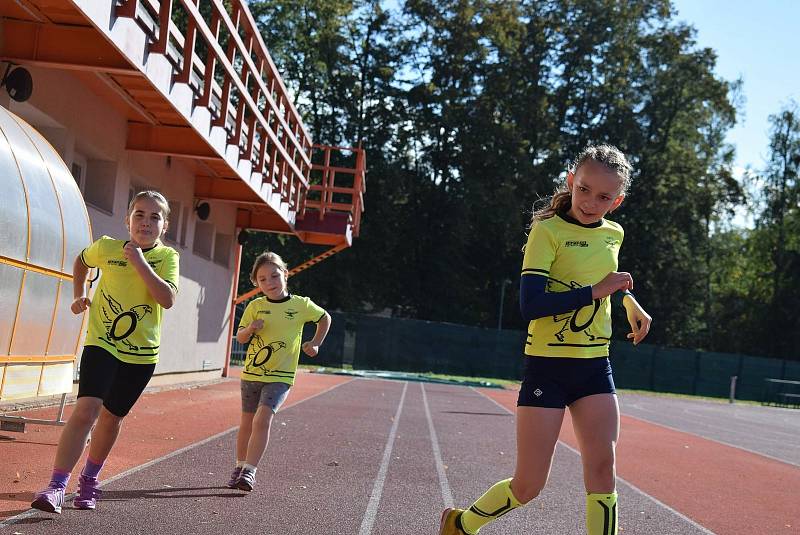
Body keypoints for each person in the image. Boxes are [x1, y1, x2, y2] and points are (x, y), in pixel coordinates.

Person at [440, 144, 652, 535]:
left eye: (604, 196)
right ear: (571, 181)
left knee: (604, 469)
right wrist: (596, 291)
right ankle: (463, 524)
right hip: (547, 368)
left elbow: (605, 280)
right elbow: (531, 305)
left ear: (617, 201)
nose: (591, 201)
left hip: (594, 366)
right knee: (528, 485)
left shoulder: (613, 234)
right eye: (584, 189)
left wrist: (628, 301)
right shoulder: (547, 231)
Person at [31, 190, 179, 514]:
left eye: (155, 217)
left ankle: (89, 480)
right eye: (139, 214)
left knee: (111, 418)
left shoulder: (167, 258)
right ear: (128, 220)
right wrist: (79, 293)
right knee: (87, 410)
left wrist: (140, 261)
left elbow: (166, 298)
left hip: (140, 356)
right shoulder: (107, 248)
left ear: (164, 226)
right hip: (102, 342)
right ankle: (56, 486)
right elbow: (81, 262)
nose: (146, 222)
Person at [228, 251, 331, 492]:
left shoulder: (301, 305)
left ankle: (250, 471)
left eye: (274, 276)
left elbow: (324, 318)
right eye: (262, 279)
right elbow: (241, 337)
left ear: (285, 274)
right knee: (246, 423)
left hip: (280, 377)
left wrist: (315, 342)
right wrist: (251, 328)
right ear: (256, 283)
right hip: (252, 375)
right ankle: (240, 466)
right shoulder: (255, 306)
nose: (270, 282)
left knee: (263, 419)